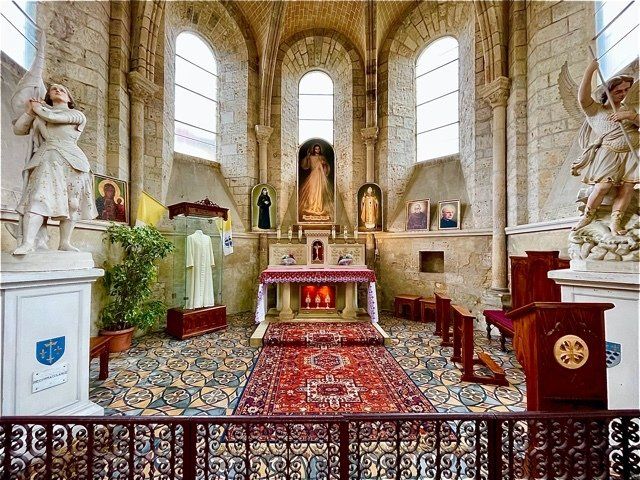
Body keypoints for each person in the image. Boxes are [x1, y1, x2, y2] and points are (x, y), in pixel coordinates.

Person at [12, 83, 98, 255]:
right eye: (53, 89)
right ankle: (28, 242)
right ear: (49, 96)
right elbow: (18, 129)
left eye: (62, 90)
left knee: (72, 204)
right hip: (47, 159)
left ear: (69, 98)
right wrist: (30, 112)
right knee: (38, 198)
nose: (58, 90)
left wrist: (38, 108)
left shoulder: (76, 114)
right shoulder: (40, 114)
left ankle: (65, 242)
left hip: (74, 162)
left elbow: (54, 118)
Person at [572, 60, 639, 235]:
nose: (623, 94)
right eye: (618, 91)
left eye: (626, 90)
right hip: (609, 152)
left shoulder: (629, 109)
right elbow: (582, 98)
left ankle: (616, 222)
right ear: (608, 91)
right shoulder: (595, 110)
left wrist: (630, 116)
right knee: (602, 187)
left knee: (627, 187)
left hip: (632, 152)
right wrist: (590, 71)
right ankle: (587, 216)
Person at [299, 143, 333, 220]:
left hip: (320, 176)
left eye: (318, 149)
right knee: (312, 192)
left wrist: (324, 164)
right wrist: (307, 157)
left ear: (320, 150)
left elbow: (326, 167)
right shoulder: (311, 157)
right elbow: (306, 166)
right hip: (313, 176)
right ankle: (312, 206)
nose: (317, 150)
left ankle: (318, 207)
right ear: (313, 149)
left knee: (319, 192)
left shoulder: (322, 157)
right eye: (316, 149)